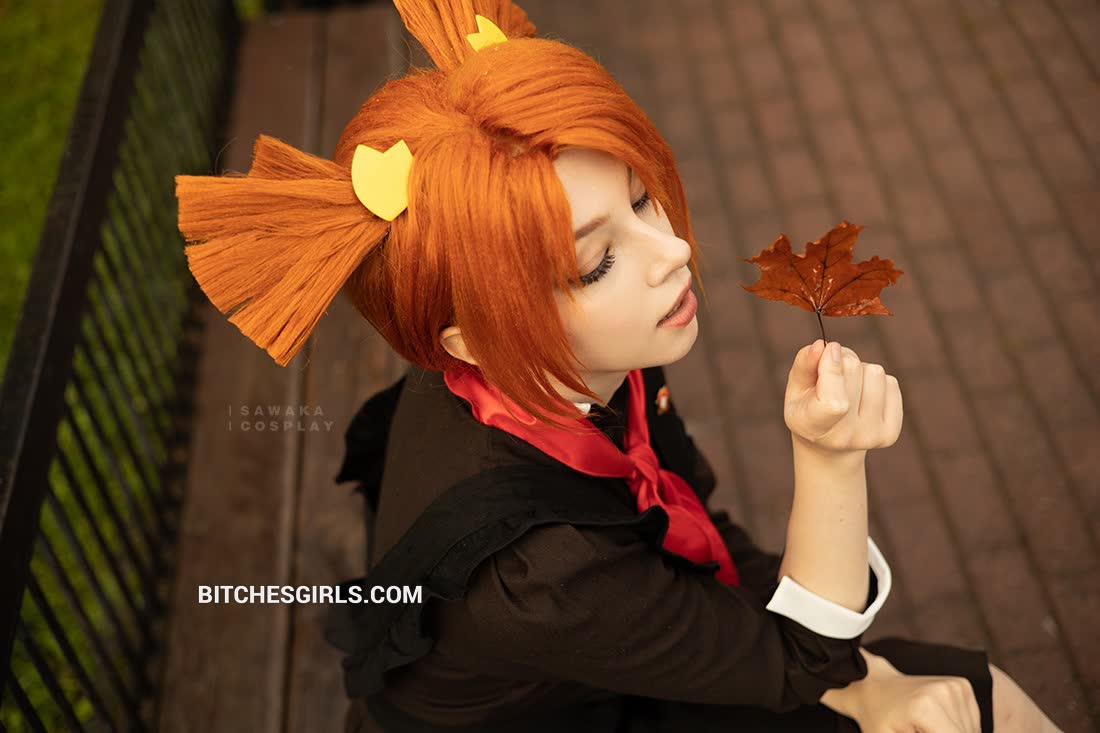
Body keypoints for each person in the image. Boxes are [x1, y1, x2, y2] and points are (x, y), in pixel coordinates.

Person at [174, 1, 1063, 731]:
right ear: (467, 338)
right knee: (970, 705)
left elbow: (694, 537)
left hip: (610, 654)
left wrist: (861, 674)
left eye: (642, 198)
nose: (672, 251)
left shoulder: (556, 370)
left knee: (963, 696)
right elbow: (794, 658)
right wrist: (832, 462)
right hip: (577, 704)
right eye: (596, 262)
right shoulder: (540, 573)